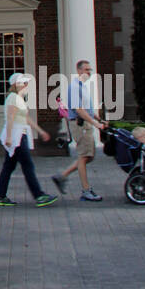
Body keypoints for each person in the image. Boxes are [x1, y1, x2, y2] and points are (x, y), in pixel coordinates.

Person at [0, 72, 58, 210]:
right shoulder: (13, 98)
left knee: (9, 166)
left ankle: (0, 195)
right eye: (24, 83)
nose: (26, 85)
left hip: (19, 134)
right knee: (28, 165)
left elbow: (25, 118)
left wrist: (40, 131)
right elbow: (10, 117)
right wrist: (8, 136)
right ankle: (38, 195)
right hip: (17, 135)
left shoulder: (18, 98)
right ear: (16, 84)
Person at [52, 59, 106, 202]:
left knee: (89, 156)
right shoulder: (75, 87)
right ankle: (86, 190)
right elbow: (78, 109)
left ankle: (62, 176)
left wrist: (98, 119)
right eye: (86, 69)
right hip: (80, 125)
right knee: (83, 156)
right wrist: (95, 123)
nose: (89, 72)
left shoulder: (83, 86)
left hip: (85, 125)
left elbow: (87, 108)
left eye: (90, 70)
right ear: (79, 71)